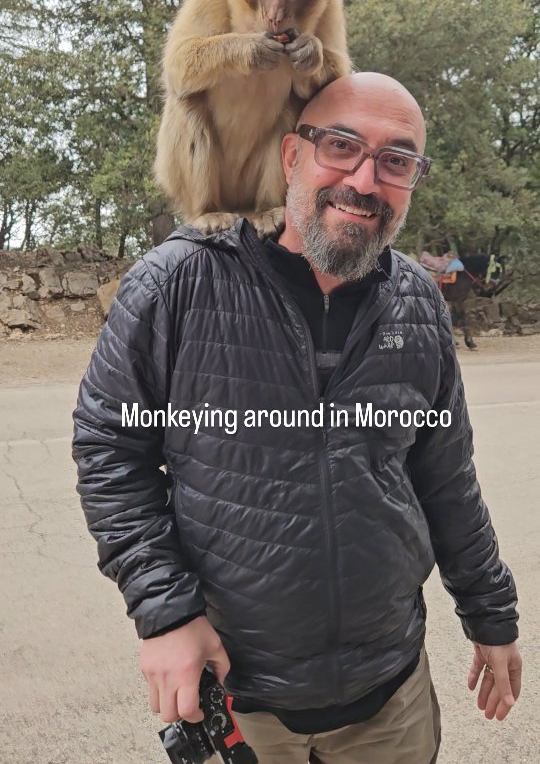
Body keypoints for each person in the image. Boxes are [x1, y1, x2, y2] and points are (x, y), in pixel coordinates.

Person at [72, 72, 521, 764]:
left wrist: (491, 614)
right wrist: (164, 612)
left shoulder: (418, 303)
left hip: (390, 696)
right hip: (240, 698)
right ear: (291, 156)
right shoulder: (177, 283)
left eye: (396, 161)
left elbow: (446, 478)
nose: (365, 181)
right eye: (341, 146)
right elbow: (110, 447)